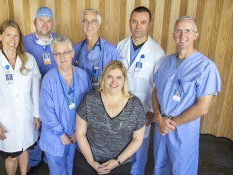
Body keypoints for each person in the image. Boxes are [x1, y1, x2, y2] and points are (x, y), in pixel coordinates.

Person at [152, 16, 221, 175]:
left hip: (182, 129)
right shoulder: (165, 62)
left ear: (196, 35)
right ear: (173, 34)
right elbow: (155, 91)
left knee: (182, 170)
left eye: (188, 31)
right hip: (161, 125)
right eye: (178, 31)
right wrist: (158, 116)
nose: (182, 35)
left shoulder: (206, 67)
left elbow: (202, 107)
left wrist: (171, 124)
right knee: (159, 167)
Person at [0, 19, 41, 175]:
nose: (12, 40)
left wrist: (37, 114)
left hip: (27, 116)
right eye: (8, 35)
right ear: (0, 36)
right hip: (6, 119)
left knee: (25, 149)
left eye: (15, 36)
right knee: (12, 156)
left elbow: (35, 89)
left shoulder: (29, 60)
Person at [73, 60, 146, 175]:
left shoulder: (135, 105)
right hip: (87, 160)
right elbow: (80, 132)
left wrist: (117, 161)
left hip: (120, 162)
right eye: (110, 76)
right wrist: (91, 161)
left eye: (118, 77)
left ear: (124, 80)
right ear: (103, 78)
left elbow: (137, 139)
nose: (114, 81)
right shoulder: (90, 99)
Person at [116, 6, 165, 175]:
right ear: (129, 23)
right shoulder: (120, 46)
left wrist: (152, 113)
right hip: (119, 110)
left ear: (149, 24)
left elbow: (158, 87)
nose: (138, 26)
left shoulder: (157, 53)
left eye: (143, 22)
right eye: (135, 21)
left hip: (143, 112)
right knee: (119, 150)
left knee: (138, 153)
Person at [39, 34, 92, 175]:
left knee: (75, 168)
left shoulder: (83, 76)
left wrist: (79, 130)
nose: (62, 57)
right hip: (55, 137)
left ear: (72, 53)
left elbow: (88, 105)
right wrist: (61, 134)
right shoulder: (48, 80)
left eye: (65, 52)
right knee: (58, 171)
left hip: (77, 134)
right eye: (57, 54)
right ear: (53, 56)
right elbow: (46, 111)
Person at [23, 6, 57, 170]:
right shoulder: (24, 42)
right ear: (34, 22)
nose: (45, 24)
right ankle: (33, 160)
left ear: (52, 23)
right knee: (34, 127)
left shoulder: (59, 40)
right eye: (41, 20)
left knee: (51, 126)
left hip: (53, 95)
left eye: (48, 20)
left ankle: (49, 157)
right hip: (32, 94)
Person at [72, 8, 120, 89]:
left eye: (93, 21)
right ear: (82, 24)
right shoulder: (76, 49)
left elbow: (117, 79)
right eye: (85, 21)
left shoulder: (110, 50)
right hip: (81, 95)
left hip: (102, 96)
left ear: (99, 25)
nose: (89, 24)